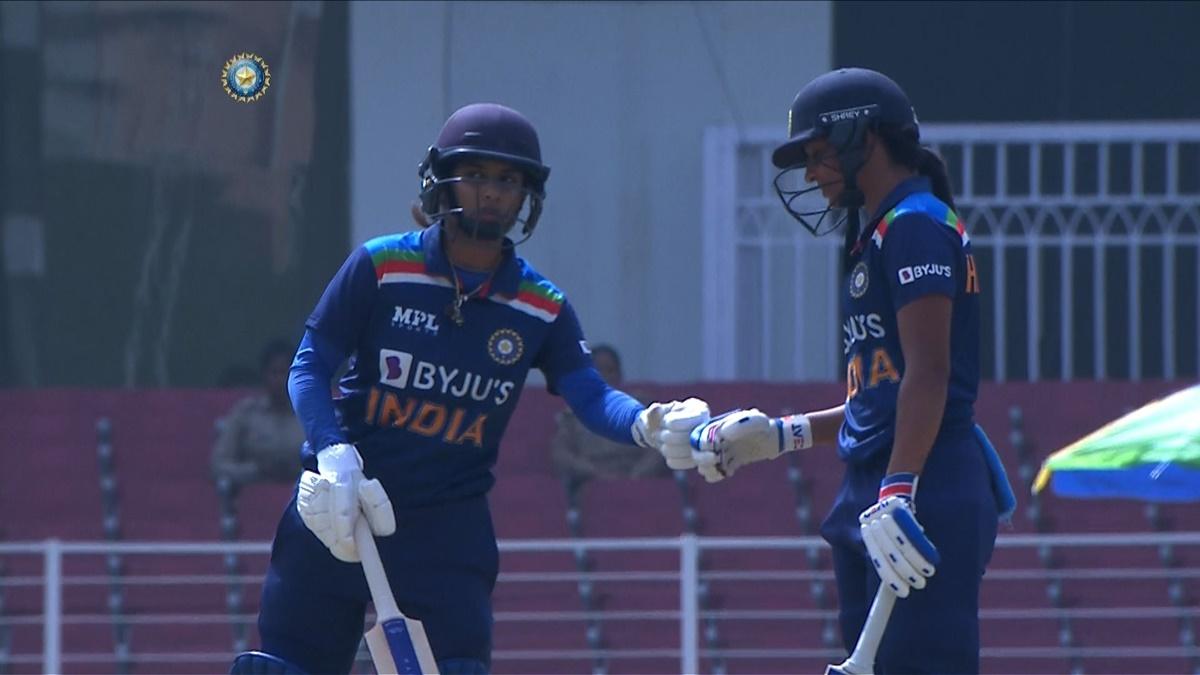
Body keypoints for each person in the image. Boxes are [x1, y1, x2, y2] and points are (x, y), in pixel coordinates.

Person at [230, 103, 709, 675]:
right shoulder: (381, 266)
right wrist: (333, 452)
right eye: (476, 174)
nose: (492, 193)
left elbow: (590, 392)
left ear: (527, 196)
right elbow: (310, 365)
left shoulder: (540, 305)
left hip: (446, 529)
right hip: (341, 501)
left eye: (508, 180)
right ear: (441, 180)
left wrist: (645, 423)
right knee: (284, 666)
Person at [662, 68, 1013, 674]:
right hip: (879, 483)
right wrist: (780, 435)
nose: (813, 174)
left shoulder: (916, 224)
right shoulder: (877, 233)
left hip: (920, 482)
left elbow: (930, 374)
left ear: (864, 138)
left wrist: (899, 488)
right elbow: (882, 397)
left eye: (820, 154)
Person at [550, 344, 671, 493]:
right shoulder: (573, 415)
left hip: (640, 484)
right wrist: (594, 474)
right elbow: (561, 455)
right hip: (591, 485)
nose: (605, 377)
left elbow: (661, 445)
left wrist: (637, 475)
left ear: (620, 375)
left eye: (610, 371)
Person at [211, 338, 307, 488]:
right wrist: (257, 470)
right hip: (252, 498)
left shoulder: (310, 415)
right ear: (264, 375)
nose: (280, 380)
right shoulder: (245, 414)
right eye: (274, 372)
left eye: (285, 373)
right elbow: (219, 466)